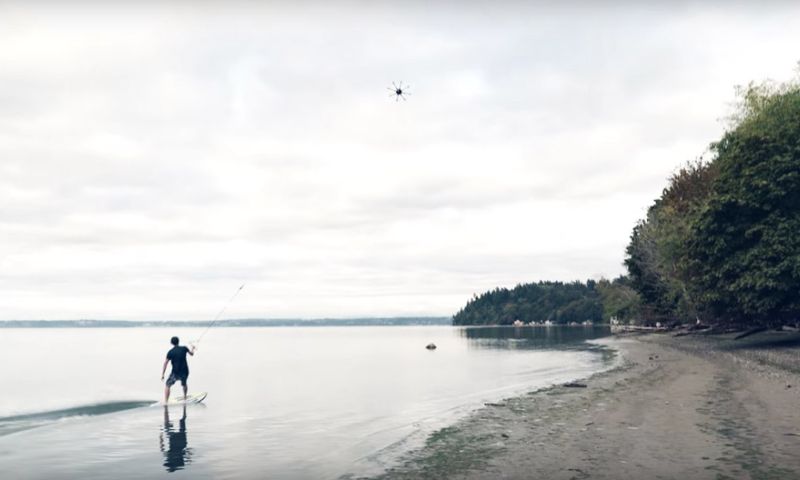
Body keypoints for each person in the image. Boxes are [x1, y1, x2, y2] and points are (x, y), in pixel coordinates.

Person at [161, 336, 196, 403]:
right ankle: (185, 398)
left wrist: (163, 374)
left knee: (168, 385)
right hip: (185, 371)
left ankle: (166, 401)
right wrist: (193, 348)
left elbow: (165, 363)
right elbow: (192, 354)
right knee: (184, 384)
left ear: (171, 343)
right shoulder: (184, 348)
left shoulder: (170, 352)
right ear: (178, 341)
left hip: (175, 372)